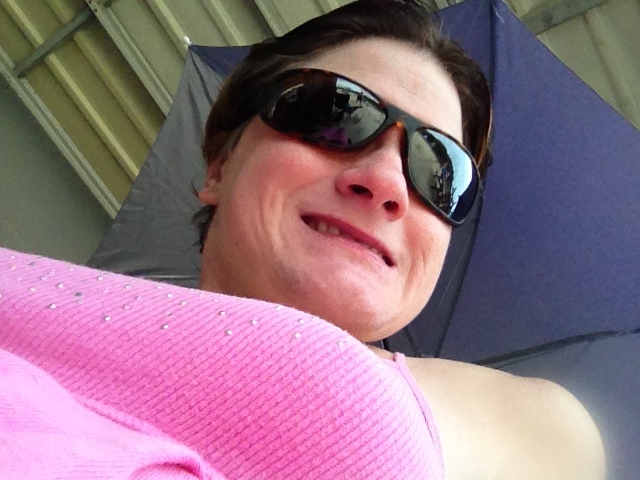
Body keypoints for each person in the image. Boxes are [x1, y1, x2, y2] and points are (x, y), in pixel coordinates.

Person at [0, 1, 605, 479]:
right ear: (220, 165)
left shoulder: (539, 429)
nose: (387, 182)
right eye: (333, 112)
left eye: (440, 171)